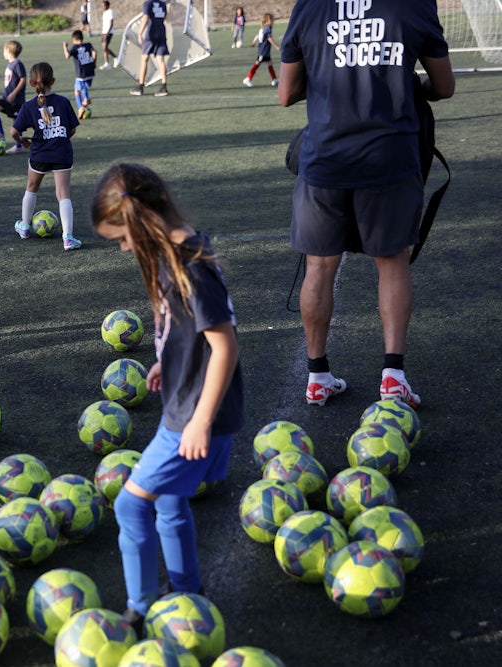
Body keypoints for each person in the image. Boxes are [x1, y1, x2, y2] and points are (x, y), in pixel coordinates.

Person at [90, 162, 244, 633]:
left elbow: (226, 347)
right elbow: (190, 332)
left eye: (121, 238)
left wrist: (199, 421)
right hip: (186, 402)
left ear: (140, 220)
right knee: (171, 502)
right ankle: (187, 592)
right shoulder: (177, 248)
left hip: (194, 415)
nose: (122, 248)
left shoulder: (191, 267)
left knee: (130, 504)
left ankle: (138, 608)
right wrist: (168, 357)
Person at [278, 0, 454, 409]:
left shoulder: (309, 6)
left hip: (325, 158)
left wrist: (326, 76)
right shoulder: (414, 4)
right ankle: (393, 377)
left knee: (319, 266)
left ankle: (317, 376)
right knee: (392, 262)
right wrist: (412, 87)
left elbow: (286, 93)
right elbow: (444, 87)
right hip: (389, 158)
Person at [11, 62, 82, 251]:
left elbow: (13, 131)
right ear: (53, 81)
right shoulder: (63, 102)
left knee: (31, 188)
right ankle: (68, 238)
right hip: (61, 153)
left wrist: (23, 141)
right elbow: (72, 128)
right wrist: (60, 137)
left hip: (39, 154)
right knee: (63, 194)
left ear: (32, 83)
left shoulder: (28, 106)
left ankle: (25, 227)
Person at [0, 40, 27, 155]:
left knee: (16, 123)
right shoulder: (10, 64)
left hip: (16, 99)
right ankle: (1, 133)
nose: (3, 53)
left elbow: (23, 79)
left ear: (9, 51)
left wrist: (14, 93)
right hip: (6, 98)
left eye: (4, 50)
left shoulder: (17, 64)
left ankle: (19, 146)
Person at [130, 0, 169, 96]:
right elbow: (164, 18)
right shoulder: (163, 4)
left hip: (151, 35)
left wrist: (140, 33)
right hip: (161, 33)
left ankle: (140, 86)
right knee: (161, 60)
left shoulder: (148, 4)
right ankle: (164, 87)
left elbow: (146, 18)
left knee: (144, 59)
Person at [63, 30, 98, 119]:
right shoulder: (88, 45)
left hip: (81, 72)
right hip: (90, 70)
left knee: (78, 89)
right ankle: (84, 102)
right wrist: (94, 62)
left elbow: (67, 56)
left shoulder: (75, 47)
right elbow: (95, 52)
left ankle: (84, 103)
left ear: (74, 39)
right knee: (81, 87)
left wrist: (65, 47)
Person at [243, 13, 280, 87]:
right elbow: (269, 38)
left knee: (270, 63)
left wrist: (253, 43)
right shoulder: (268, 27)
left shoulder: (263, 27)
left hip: (264, 50)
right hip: (263, 50)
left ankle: (274, 80)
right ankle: (248, 79)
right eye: (273, 19)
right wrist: (276, 46)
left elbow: (257, 35)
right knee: (257, 63)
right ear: (270, 20)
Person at [99, 1, 116, 69]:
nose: (102, 7)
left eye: (103, 6)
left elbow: (111, 22)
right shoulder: (104, 13)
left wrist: (108, 32)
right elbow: (104, 24)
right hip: (104, 32)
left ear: (107, 6)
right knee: (104, 48)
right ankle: (107, 63)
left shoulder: (110, 12)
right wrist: (102, 33)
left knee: (105, 47)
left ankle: (115, 58)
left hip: (108, 32)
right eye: (102, 6)